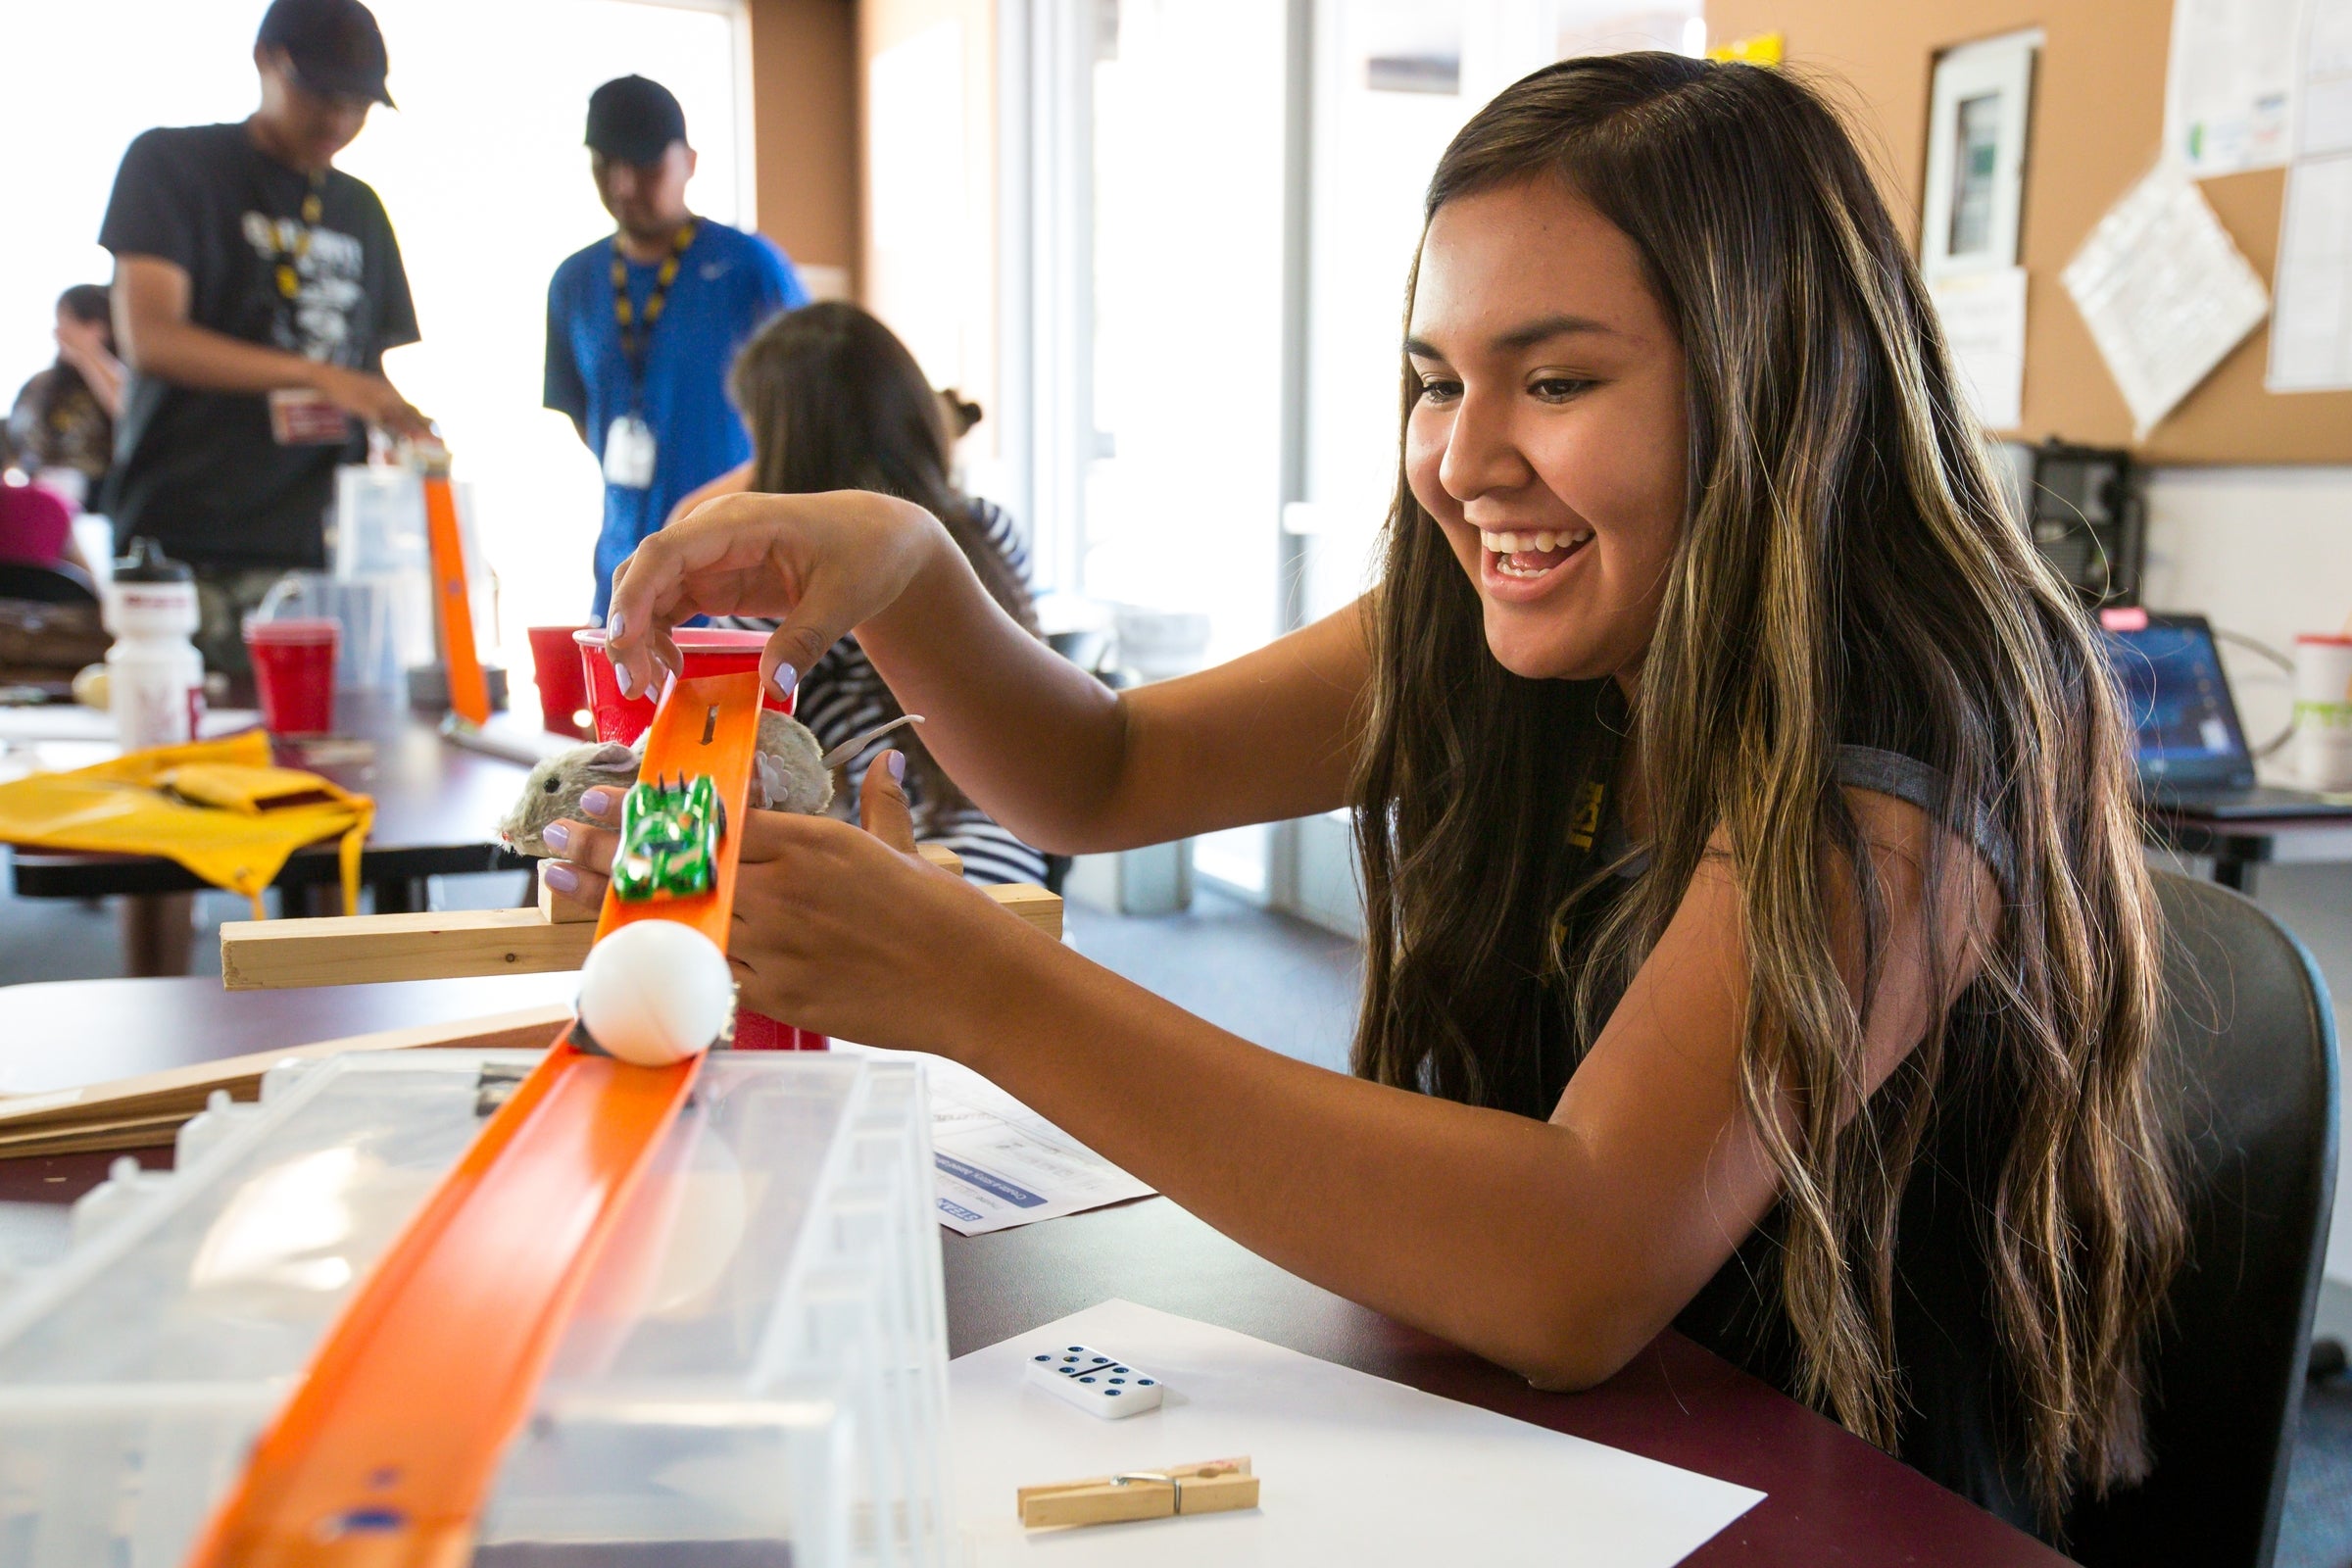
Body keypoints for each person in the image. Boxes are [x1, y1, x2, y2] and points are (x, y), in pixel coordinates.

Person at [566, 55, 2183, 1541]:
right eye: (1436, 380)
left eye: (1553, 383)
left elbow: (1577, 1260)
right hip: (1560, 1454)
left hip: (1834, 1501)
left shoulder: (1925, 725)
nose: (1464, 460)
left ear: (1772, 388)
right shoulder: (1504, 635)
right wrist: (907, 565)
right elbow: (1104, 771)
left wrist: (982, 986)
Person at [650, 303, 1048, 887]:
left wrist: (723, 506)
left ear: (783, 446)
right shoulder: (988, 529)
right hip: (1012, 845)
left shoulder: (792, 584)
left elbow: (717, 756)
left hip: (889, 862)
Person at [97, 0, 427, 673]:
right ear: (266, 62)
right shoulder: (173, 163)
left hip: (319, 554)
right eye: (321, 94)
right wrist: (319, 377)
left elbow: (364, 370)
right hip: (184, 544)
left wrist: (404, 425)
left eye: (358, 104)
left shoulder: (360, 207)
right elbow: (151, 337)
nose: (338, 120)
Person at [544, 74, 808, 622]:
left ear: (689, 160)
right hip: (623, 574)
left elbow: (807, 416)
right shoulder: (573, 282)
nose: (622, 187)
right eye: (604, 167)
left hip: (734, 584)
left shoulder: (750, 269)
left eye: (644, 167)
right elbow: (579, 414)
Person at [4, 285, 124, 508]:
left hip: (99, 501)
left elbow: (128, 412)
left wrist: (87, 354)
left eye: (72, 322)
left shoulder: (125, 379)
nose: (61, 333)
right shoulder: (40, 384)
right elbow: (13, 440)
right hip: (37, 499)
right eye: (60, 321)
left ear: (103, 327)